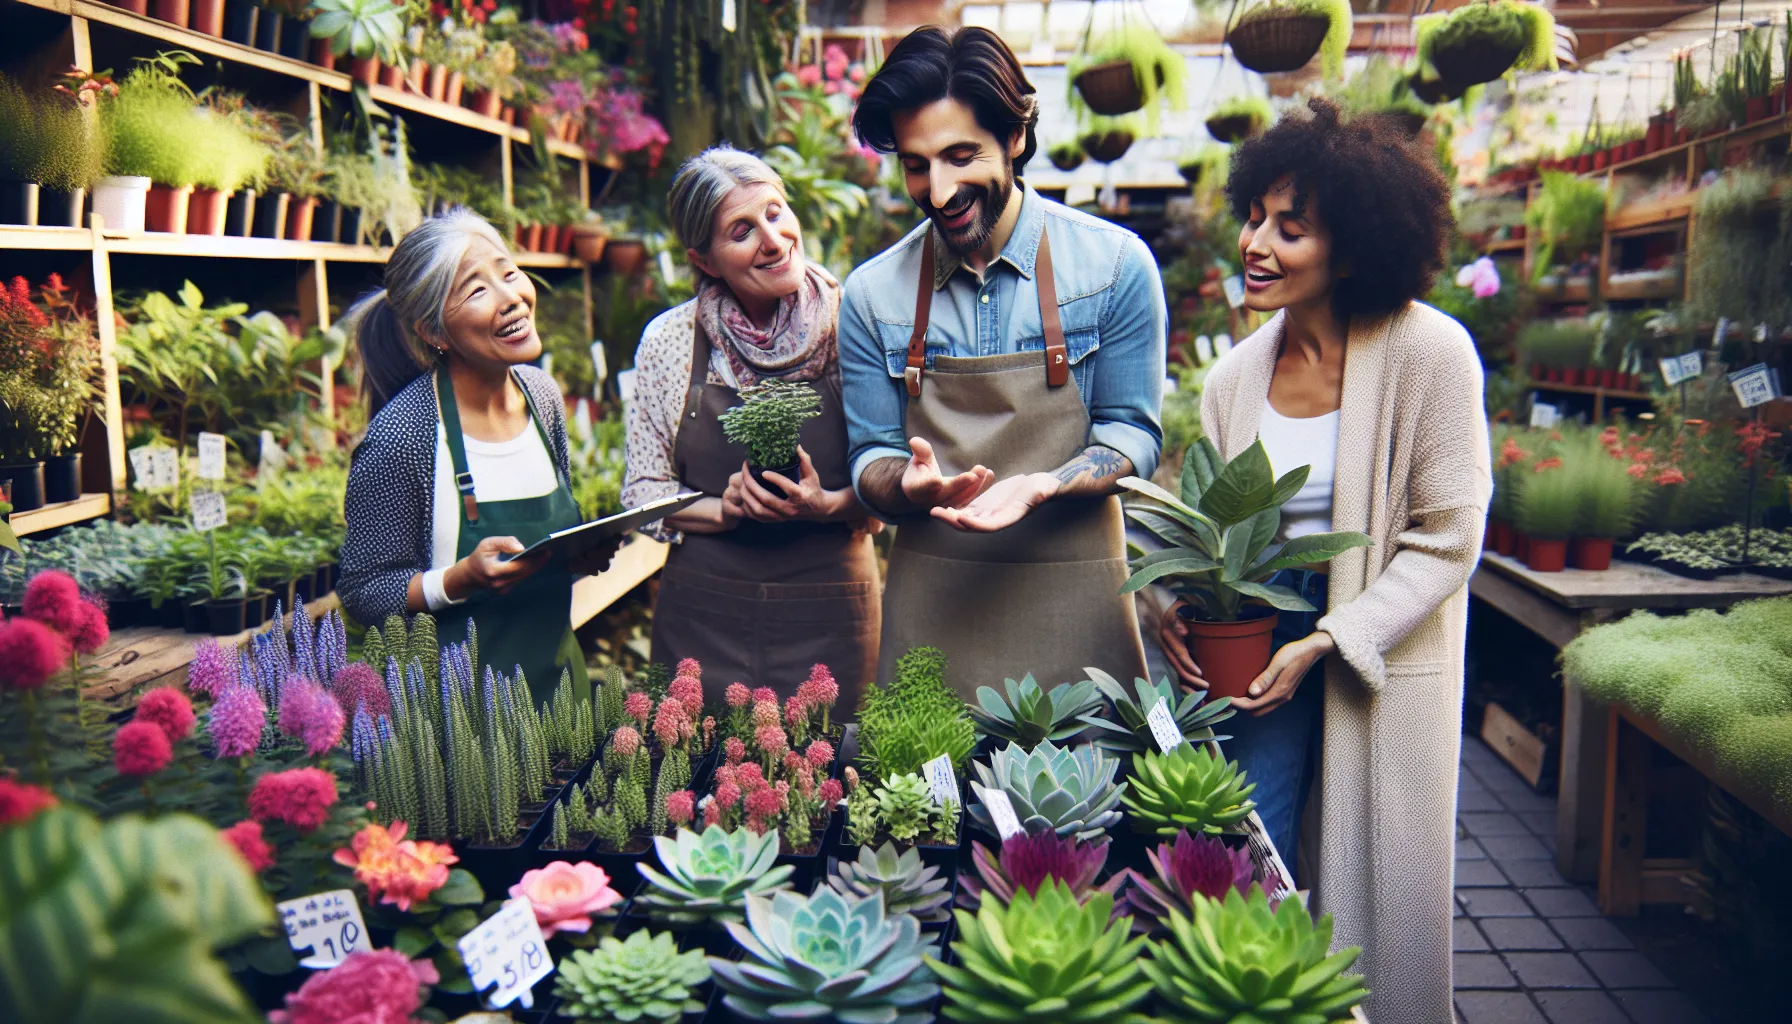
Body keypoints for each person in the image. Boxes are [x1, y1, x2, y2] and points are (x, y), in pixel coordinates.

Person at [1159, 99, 1490, 1024]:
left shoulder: (1432, 354)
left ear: (1353, 250)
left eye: (1289, 228)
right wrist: (1174, 605)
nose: (1256, 243)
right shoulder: (1234, 378)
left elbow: (1450, 534)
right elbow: (1209, 525)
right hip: (1256, 638)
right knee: (1247, 849)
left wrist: (1334, 636)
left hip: (1370, 644)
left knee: (1378, 883)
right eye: (1255, 218)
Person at [841, 26, 1165, 697]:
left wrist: (1047, 483)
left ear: (1015, 137)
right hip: (935, 618)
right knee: (924, 800)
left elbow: (1133, 434)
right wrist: (906, 485)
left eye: (962, 156)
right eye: (916, 163)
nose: (938, 190)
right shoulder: (872, 295)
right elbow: (869, 454)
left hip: (1080, 614)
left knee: (1086, 800)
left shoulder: (1114, 267)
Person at [624, 147, 880, 708]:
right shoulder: (670, 342)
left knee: (835, 773)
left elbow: (891, 477)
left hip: (832, 613)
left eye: (774, 211)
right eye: (741, 230)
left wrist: (828, 503)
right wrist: (726, 508)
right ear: (706, 260)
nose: (773, 238)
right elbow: (642, 493)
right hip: (705, 617)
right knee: (699, 780)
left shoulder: (856, 325)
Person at [338, 209, 617, 706]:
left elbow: (542, 553)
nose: (512, 297)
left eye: (508, 273)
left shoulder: (542, 396)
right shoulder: (403, 437)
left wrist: (576, 555)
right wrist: (457, 580)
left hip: (559, 697)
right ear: (433, 331)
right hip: (462, 727)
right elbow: (364, 592)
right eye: (477, 289)